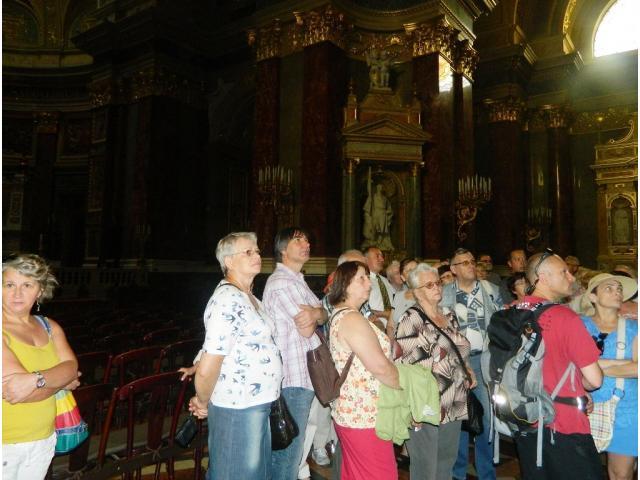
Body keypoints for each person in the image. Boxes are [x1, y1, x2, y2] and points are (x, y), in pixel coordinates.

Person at [188, 233, 282, 480]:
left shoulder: (249, 297)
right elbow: (210, 364)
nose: (257, 255)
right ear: (228, 261)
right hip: (238, 405)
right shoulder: (227, 299)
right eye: (248, 252)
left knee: (256, 474)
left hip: (258, 402)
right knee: (234, 474)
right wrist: (202, 401)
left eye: (257, 251)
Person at [514, 250, 604, 479]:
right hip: (564, 422)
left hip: (524, 418)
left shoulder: (511, 311)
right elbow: (595, 380)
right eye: (564, 272)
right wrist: (579, 386)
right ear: (543, 278)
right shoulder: (565, 318)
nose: (571, 277)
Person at [2, 254, 81, 480]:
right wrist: (60, 382)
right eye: (9, 285)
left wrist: (36, 379)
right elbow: (17, 393)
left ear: (40, 291)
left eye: (27, 285)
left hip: (44, 439)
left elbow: (72, 367)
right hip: (6, 443)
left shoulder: (49, 326)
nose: (17, 293)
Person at [396, 263, 476, 480]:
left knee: (446, 463)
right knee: (425, 468)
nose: (437, 288)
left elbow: (458, 350)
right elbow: (403, 367)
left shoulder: (449, 314)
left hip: (454, 398)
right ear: (416, 291)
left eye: (438, 282)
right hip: (425, 402)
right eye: (429, 285)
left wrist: (468, 369)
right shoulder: (410, 319)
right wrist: (411, 409)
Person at [263, 227, 327, 480]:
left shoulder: (297, 281)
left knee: (295, 451)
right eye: (298, 240)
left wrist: (316, 313)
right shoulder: (281, 283)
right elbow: (307, 328)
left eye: (307, 240)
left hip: (304, 375)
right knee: (288, 454)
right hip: (292, 377)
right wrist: (315, 314)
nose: (306, 244)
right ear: (282, 249)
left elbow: (323, 313)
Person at [327, 261, 400, 480]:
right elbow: (380, 367)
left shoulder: (345, 315)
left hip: (355, 412)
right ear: (345, 285)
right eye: (362, 278)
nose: (369, 283)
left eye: (368, 277)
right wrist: (405, 388)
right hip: (364, 414)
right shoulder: (351, 319)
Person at [442, 248, 502, 480]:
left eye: (472, 261)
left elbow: (503, 324)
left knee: (486, 418)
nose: (470, 265)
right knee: (458, 417)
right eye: (464, 263)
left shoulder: (491, 290)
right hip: (455, 362)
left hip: (483, 360)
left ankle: (486, 472)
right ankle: (457, 471)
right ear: (453, 269)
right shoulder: (444, 293)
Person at [578, 273, 638, 480]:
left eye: (619, 288)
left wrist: (593, 366)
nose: (617, 292)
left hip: (627, 408)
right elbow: (568, 364)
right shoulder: (578, 325)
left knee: (621, 474)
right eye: (609, 288)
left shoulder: (634, 327)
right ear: (593, 297)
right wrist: (623, 364)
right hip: (583, 405)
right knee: (581, 470)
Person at [364, 246, 395, 338]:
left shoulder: (385, 281)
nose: (382, 259)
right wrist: (383, 314)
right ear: (366, 260)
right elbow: (361, 310)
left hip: (392, 330)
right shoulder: (364, 282)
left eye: (382, 256)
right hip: (373, 331)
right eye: (377, 256)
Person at [363, 184, 394, 251]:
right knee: (374, 228)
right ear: (377, 188)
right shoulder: (373, 197)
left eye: (381, 187)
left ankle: (380, 243)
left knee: (382, 231)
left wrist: (387, 212)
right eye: (379, 187)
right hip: (375, 213)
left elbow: (389, 209)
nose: (380, 188)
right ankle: (374, 242)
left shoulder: (385, 198)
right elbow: (369, 204)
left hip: (382, 215)